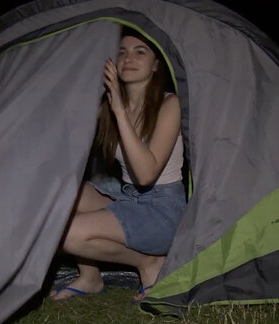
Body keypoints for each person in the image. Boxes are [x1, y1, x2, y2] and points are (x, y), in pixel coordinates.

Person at [50, 27, 186, 303]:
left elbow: (146, 174)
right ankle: (90, 278)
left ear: (156, 65)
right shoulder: (109, 105)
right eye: (121, 52)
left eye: (140, 52)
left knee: (66, 235)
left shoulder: (169, 104)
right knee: (62, 199)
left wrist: (120, 111)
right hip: (129, 198)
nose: (128, 58)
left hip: (163, 210)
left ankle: (148, 263)